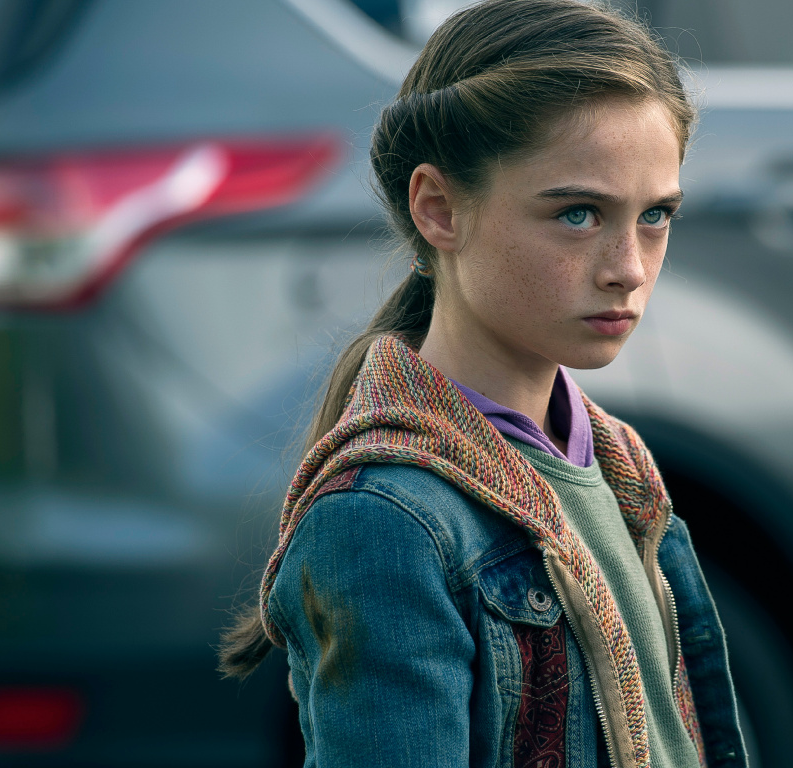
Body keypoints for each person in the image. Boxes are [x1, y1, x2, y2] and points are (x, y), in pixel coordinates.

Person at [219, 1, 747, 765]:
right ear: (439, 208)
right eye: (577, 214)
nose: (628, 267)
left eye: (655, 215)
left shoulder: (618, 464)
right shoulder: (381, 521)